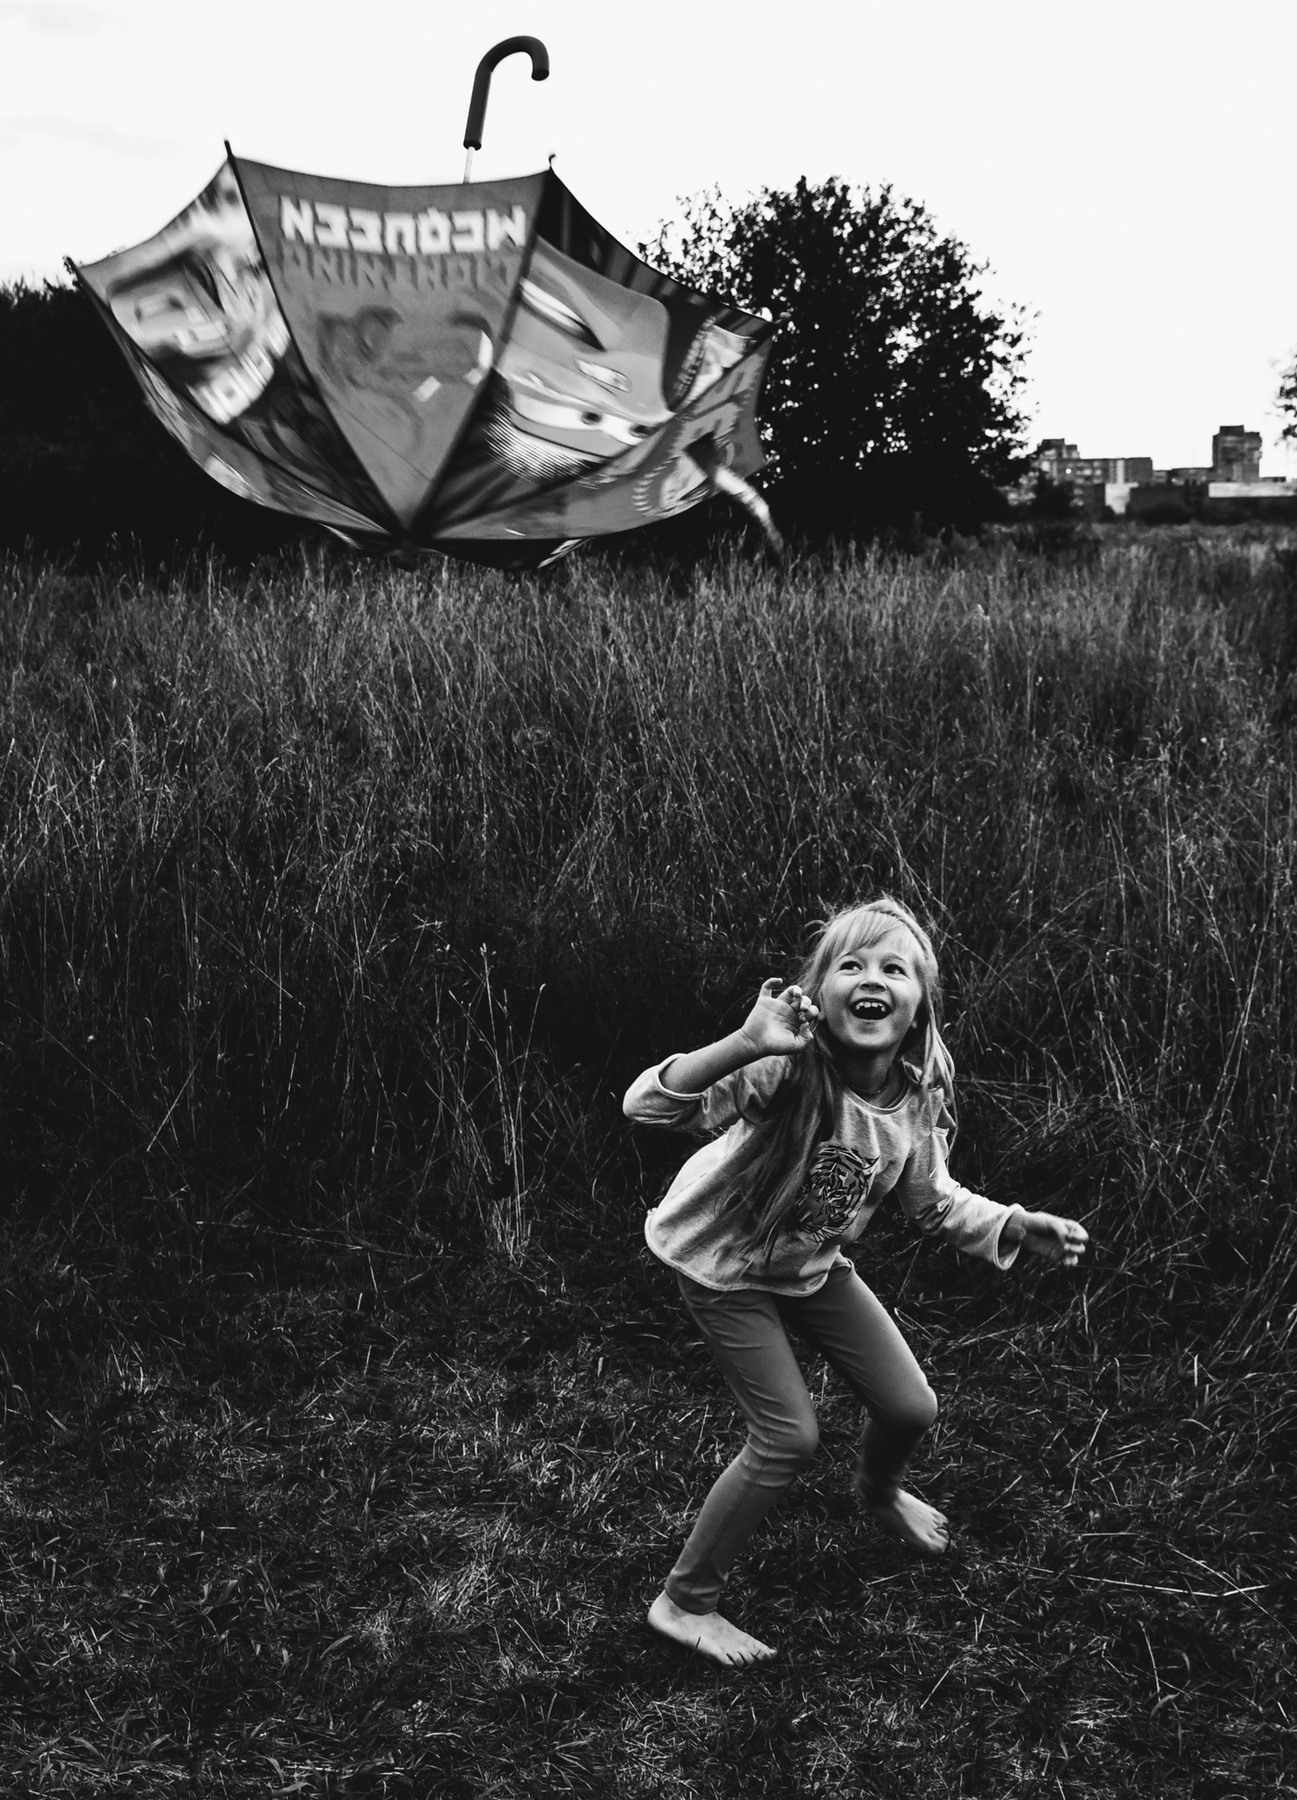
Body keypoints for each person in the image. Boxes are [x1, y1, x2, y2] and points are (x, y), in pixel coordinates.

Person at [622, 897, 1089, 1668]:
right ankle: (684, 1602)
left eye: (893, 968)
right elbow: (646, 1107)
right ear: (818, 994)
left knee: (910, 1407)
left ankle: (878, 1494)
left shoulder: (913, 1100)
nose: (871, 978)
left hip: (808, 1267)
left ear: (918, 1008)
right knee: (786, 1437)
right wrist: (744, 1042)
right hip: (723, 1267)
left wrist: (1013, 1224)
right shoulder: (781, 1066)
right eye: (850, 964)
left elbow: (935, 1202)